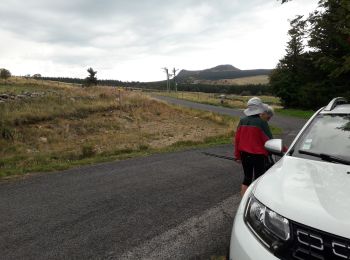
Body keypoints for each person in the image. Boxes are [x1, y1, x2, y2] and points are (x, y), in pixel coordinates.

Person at [234, 97, 273, 196]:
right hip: (258, 156)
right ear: (259, 109)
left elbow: (237, 139)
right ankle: (255, 201)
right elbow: (270, 140)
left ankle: (244, 201)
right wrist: (284, 150)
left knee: (247, 179)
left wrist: (237, 156)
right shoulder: (262, 122)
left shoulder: (242, 120)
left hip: (244, 155)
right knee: (258, 179)